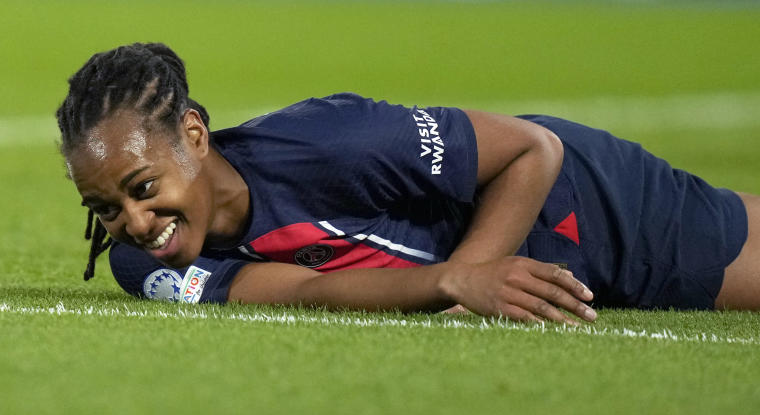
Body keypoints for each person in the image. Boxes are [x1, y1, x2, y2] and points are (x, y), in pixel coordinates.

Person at [55, 43, 760, 325]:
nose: (136, 222)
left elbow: (531, 149)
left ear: (196, 137)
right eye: (105, 208)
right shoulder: (139, 263)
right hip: (512, 272)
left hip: (591, 206)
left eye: (143, 188)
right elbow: (305, 290)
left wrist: (469, 278)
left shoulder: (332, 140)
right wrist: (454, 285)